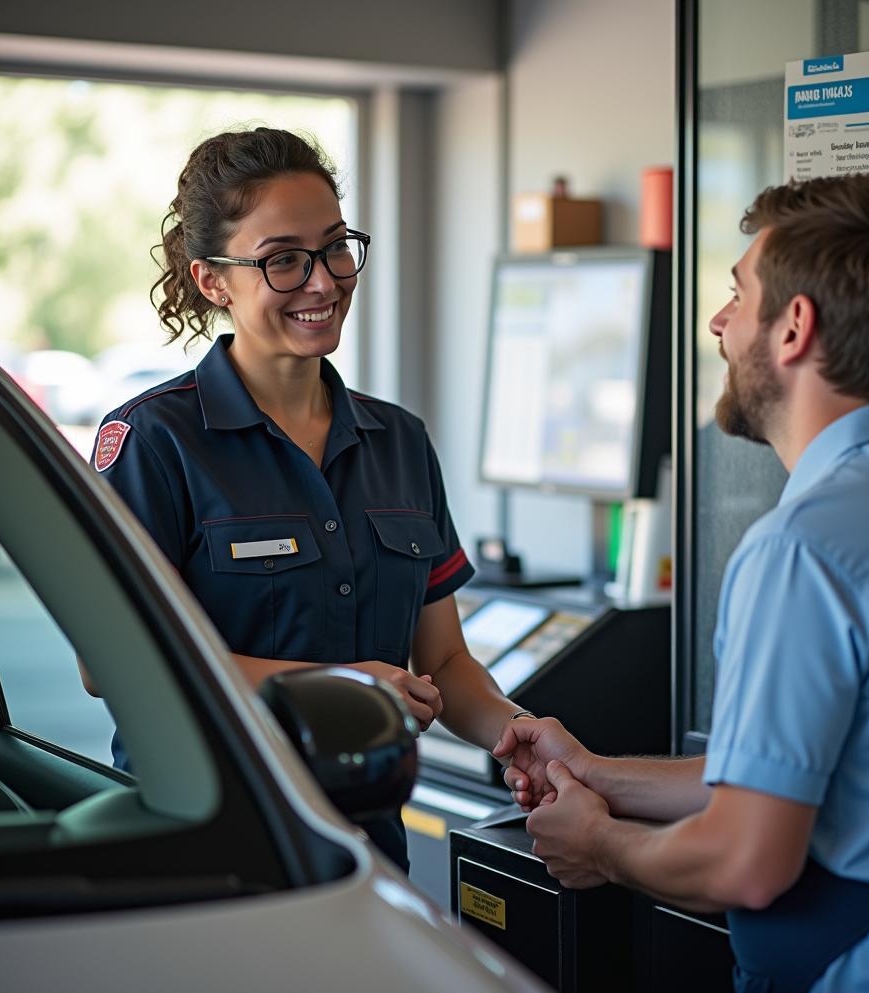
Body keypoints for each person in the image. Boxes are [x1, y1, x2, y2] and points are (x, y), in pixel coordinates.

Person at [494, 173, 869, 993]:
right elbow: (791, 781)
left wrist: (597, 843)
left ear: (793, 327)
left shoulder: (804, 546)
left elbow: (746, 859)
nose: (718, 321)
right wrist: (594, 772)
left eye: (738, 293)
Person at [88, 127, 537, 871]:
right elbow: (114, 662)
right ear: (212, 281)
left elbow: (446, 661)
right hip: (203, 853)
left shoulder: (399, 441)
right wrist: (341, 687)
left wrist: (523, 734)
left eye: (334, 248)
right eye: (283, 260)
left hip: (362, 848)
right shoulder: (153, 441)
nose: (324, 282)